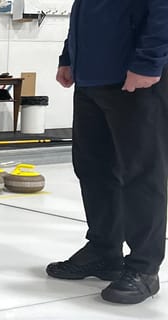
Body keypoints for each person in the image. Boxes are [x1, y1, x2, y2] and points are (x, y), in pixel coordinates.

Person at [45, 0, 168, 305]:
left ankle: (144, 267)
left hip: (135, 75)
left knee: (140, 173)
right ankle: (104, 250)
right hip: (90, 78)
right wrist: (69, 55)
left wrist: (149, 61)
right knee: (93, 168)